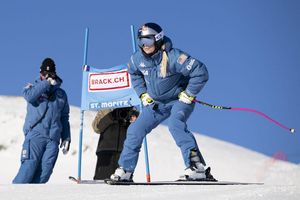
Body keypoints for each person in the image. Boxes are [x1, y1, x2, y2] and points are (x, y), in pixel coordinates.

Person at [110, 23, 216, 182]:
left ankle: (197, 167)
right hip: (156, 104)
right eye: (141, 42)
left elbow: (200, 72)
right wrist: (143, 94)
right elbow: (134, 73)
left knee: (175, 125)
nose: (144, 46)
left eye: (148, 42)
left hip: (179, 100)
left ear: (158, 40)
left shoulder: (174, 56)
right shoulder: (137, 59)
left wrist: (189, 93)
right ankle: (126, 170)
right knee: (135, 130)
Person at [12, 58, 71, 184]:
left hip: (52, 139)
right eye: (44, 74)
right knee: (28, 169)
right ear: (41, 74)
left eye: (50, 74)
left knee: (45, 172)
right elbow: (29, 97)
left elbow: (64, 117)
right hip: (35, 134)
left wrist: (66, 137)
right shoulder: (32, 87)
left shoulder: (61, 94)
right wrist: (46, 84)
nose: (47, 76)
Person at [92, 107, 139, 180]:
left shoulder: (131, 109)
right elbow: (97, 127)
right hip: (106, 150)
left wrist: (133, 117)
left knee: (122, 181)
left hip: (124, 151)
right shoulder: (106, 108)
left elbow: (138, 128)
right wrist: (111, 116)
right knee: (101, 180)